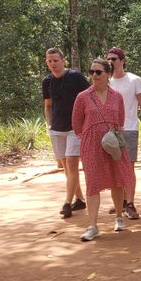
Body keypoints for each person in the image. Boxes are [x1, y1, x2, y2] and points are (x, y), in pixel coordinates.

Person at [71, 58, 135, 241]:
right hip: (91, 145)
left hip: (114, 142)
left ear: (108, 74)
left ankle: (119, 218)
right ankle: (92, 226)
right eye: (91, 72)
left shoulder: (117, 96)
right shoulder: (83, 97)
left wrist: (110, 138)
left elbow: (120, 119)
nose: (94, 75)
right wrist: (92, 134)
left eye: (98, 72)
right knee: (92, 183)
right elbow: (76, 124)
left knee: (117, 180)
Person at [106, 46, 141, 219]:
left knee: (129, 167)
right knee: (114, 168)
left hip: (129, 128)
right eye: (109, 59)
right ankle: (119, 201)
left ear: (122, 60)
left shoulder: (134, 80)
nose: (111, 62)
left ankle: (130, 204)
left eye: (114, 59)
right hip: (110, 131)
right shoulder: (106, 81)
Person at [42, 47, 90, 219]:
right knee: (65, 167)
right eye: (49, 61)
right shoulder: (46, 82)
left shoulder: (75, 77)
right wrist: (49, 124)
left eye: (56, 60)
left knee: (72, 164)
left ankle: (67, 203)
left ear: (63, 61)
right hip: (56, 129)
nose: (53, 64)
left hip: (75, 129)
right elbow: (48, 105)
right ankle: (80, 199)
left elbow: (90, 97)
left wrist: (87, 122)